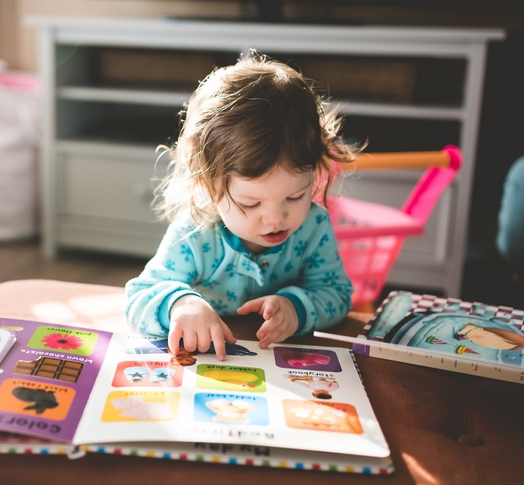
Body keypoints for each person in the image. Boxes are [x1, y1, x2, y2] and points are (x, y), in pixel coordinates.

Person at [125, 53, 357, 361]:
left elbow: (337, 296)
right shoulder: (194, 233)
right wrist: (180, 304)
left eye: (295, 196)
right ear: (208, 186)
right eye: (251, 203)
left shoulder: (313, 228)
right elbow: (139, 296)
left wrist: (296, 308)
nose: (276, 217)